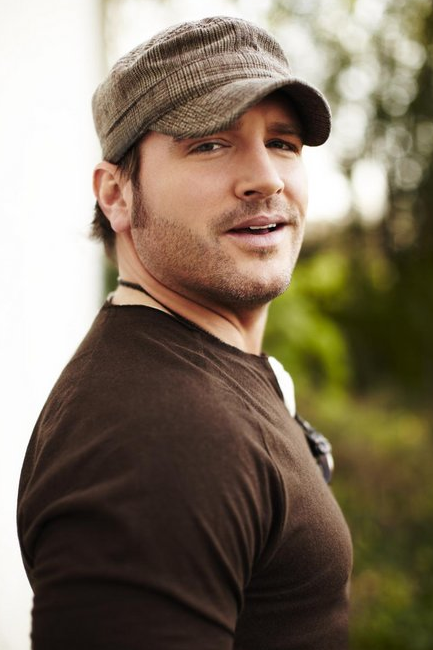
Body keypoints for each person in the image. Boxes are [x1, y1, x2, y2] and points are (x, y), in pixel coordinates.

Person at [17, 15, 352, 650]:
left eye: (282, 142)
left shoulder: (196, 366)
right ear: (116, 194)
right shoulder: (154, 437)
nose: (266, 177)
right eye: (210, 144)